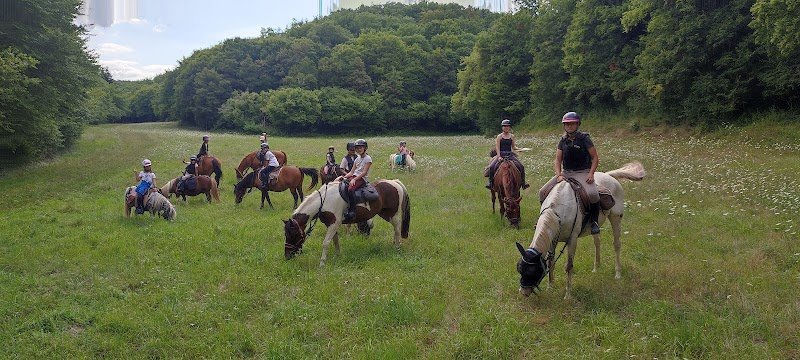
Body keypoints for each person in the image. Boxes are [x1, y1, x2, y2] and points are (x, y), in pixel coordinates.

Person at [539, 111, 601, 234]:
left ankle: (594, 221)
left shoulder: (584, 139)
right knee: (542, 192)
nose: (569, 126)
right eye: (567, 124)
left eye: (572, 124)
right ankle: (544, 219)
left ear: (577, 124)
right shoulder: (563, 140)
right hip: (566, 172)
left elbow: (595, 158)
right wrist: (559, 175)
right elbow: (558, 160)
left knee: (593, 194)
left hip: (582, 172)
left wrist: (591, 173)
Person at [485, 119, 529, 190]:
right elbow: (497, 148)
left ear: (509, 127)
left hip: (510, 154)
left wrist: (521, 149)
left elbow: (514, 147)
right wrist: (499, 156)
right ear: (502, 127)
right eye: (504, 126)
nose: (506, 127)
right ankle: (490, 183)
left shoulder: (512, 136)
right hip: (501, 154)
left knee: (521, 166)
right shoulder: (499, 136)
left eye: (507, 126)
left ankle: (523, 183)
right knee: (491, 167)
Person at [338, 139, 372, 221]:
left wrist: (354, 179)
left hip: (361, 178)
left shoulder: (368, 159)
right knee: (341, 185)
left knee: (350, 189)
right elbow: (351, 172)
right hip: (354, 176)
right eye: (357, 148)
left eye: (360, 147)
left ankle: (352, 210)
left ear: (365, 148)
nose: (358, 149)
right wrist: (343, 178)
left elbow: (364, 172)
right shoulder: (357, 159)